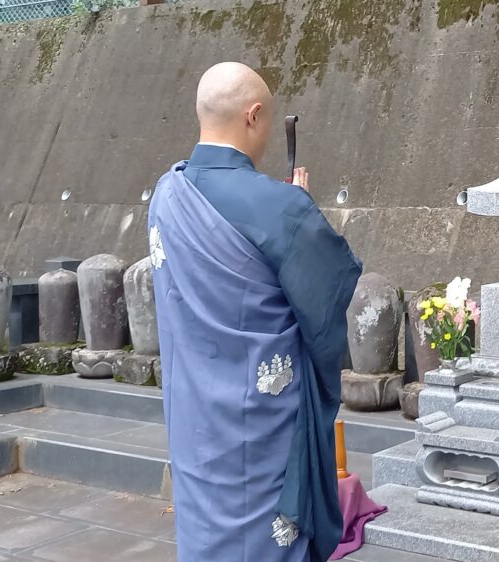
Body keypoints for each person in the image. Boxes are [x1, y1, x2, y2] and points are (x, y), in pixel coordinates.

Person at [148, 62, 362, 561]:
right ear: (254, 115)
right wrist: (302, 208)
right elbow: (326, 288)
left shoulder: (165, 195)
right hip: (263, 421)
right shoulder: (280, 205)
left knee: (205, 527)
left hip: (196, 415)